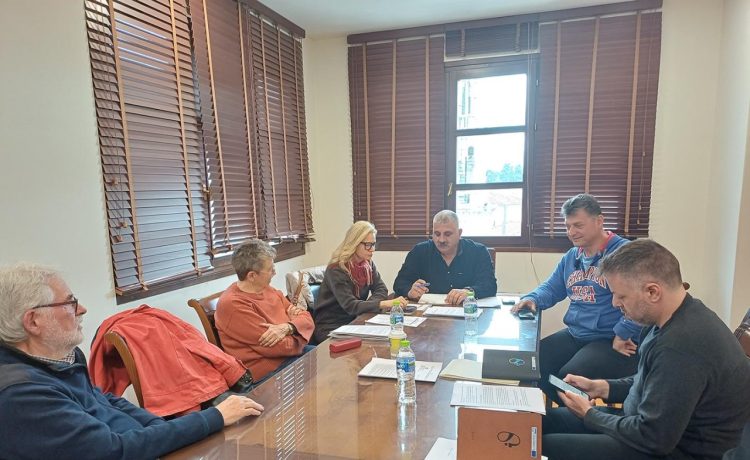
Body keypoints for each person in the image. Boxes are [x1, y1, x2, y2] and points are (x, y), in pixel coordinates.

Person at [0, 264, 264, 460]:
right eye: (70, 303)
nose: (82, 309)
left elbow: (104, 400)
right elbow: (113, 450)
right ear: (33, 321)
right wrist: (213, 417)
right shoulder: (22, 395)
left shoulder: (59, 357)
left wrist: (162, 429)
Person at [543, 239, 750, 460]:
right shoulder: (670, 318)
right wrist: (602, 387)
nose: (615, 303)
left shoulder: (681, 346)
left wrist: (589, 414)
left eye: (621, 296)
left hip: (673, 448)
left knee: (544, 444)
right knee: (541, 422)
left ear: (652, 292)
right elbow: (654, 382)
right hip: (643, 425)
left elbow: (653, 438)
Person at [511, 194, 642, 405]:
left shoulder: (624, 253)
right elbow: (552, 288)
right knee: (530, 364)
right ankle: (572, 412)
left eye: (578, 225)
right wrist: (532, 298)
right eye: (568, 226)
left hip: (611, 339)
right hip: (577, 333)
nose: (572, 232)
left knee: (568, 377)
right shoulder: (572, 256)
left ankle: (586, 417)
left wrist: (623, 332)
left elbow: (641, 299)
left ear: (599, 221)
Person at [216, 239, 315, 383]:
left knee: (330, 358)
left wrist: (289, 327)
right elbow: (276, 347)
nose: (274, 272)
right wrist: (301, 333)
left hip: (290, 357)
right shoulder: (233, 305)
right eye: (270, 269)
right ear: (252, 276)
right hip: (267, 373)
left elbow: (307, 318)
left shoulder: (267, 289)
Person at [312, 221, 407, 344]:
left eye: (373, 244)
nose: (372, 249)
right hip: (331, 327)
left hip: (356, 320)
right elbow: (351, 306)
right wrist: (383, 304)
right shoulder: (336, 269)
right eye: (368, 245)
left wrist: (367, 305)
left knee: (389, 339)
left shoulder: (367, 264)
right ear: (355, 243)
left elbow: (381, 288)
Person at [393, 210, 497, 304]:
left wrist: (469, 292)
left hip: (466, 311)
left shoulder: (478, 251)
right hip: (428, 312)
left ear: (459, 233)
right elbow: (400, 283)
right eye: (437, 234)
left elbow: (490, 285)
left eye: (447, 234)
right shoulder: (420, 251)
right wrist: (410, 291)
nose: (441, 240)